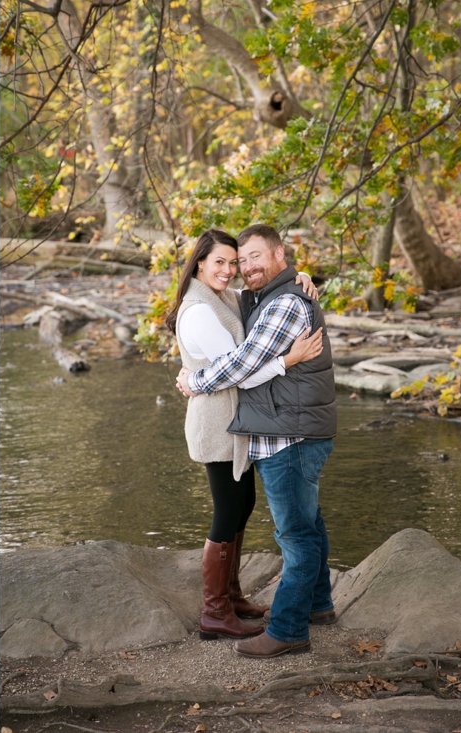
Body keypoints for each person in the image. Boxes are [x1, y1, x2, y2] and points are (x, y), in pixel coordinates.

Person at [176, 223, 337, 659]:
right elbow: (240, 361)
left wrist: (299, 278)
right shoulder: (209, 304)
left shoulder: (268, 299)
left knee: (294, 530)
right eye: (227, 261)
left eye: (247, 259)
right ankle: (223, 608)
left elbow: (242, 362)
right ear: (200, 264)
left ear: (279, 254)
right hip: (232, 423)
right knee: (260, 516)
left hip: (287, 430)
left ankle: (287, 625)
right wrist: (286, 358)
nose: (237, 269)